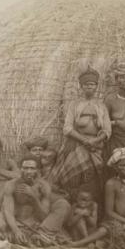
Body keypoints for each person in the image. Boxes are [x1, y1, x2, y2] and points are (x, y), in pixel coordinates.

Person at [48, 66, 111, 207]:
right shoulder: (74, 105)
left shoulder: (101, 106)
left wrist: (95, 140)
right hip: (76, 145)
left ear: (96, 87)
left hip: (95, 147)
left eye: (93, 85)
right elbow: (67, 128)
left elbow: (107, 129)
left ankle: (91, 209)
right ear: (81, 87)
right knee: (71, 177)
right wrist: (84, 140)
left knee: (92, 178)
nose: (90, 87)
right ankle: (69, 205)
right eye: (87, 85)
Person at [0, 154, 71, 247]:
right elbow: (8, 212)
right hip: (16, 223)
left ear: (37, 170)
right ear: (20, 169)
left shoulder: (44, 186)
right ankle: (26, 237)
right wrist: (16, 231)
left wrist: (34, 197)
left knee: (63, 205)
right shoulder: (11, 184)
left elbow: (44, 216)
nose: (28, 171)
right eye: (25, 168)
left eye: (32, 168)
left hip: (35, 225)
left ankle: (36, 237)